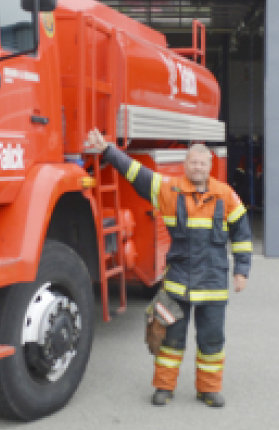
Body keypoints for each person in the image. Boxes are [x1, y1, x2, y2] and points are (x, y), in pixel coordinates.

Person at [85, 129, 252, 408]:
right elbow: (137, 173)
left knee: (212, 341)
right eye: (192, 163)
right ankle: (164, 387)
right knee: (171, 340)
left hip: (212, 285)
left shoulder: (226, 195)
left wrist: (242, 270)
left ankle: (208, 390)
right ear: (185, 165)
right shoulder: (169, 190)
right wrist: (107, 151)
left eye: (202, 163)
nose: (197, 167)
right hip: (178, 284)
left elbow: (242, 234)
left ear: (210, 166)